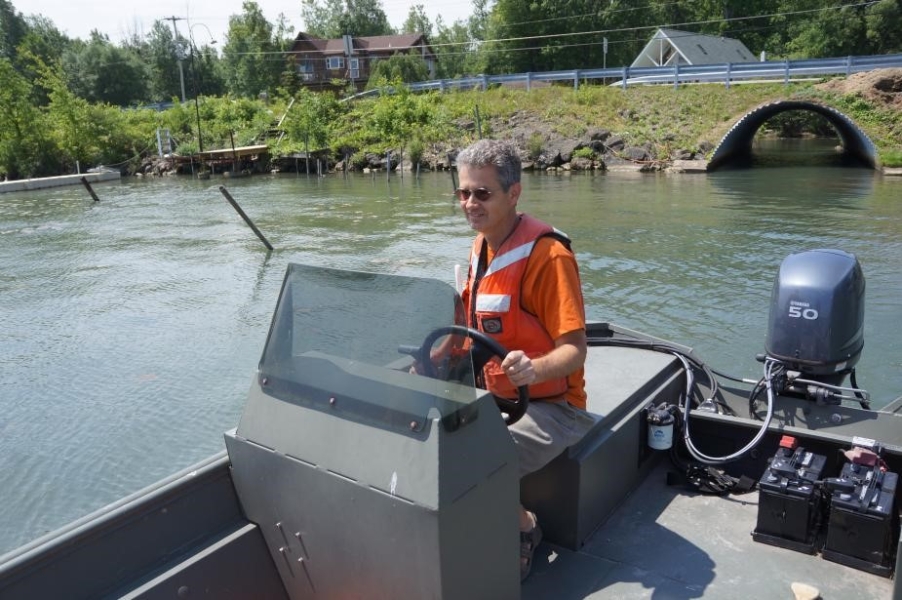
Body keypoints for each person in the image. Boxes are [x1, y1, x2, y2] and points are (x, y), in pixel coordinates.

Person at [454, 139, 595, 582]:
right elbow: (472, 329)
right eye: (463, 193)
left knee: (473, 460)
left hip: (552, 407)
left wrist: (533, 369)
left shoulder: (548, 256)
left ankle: (524, 528)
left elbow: (576, 350)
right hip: (493, 396)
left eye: (482, 193)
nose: (470, 203)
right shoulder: (480, 247)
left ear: (514, 193)